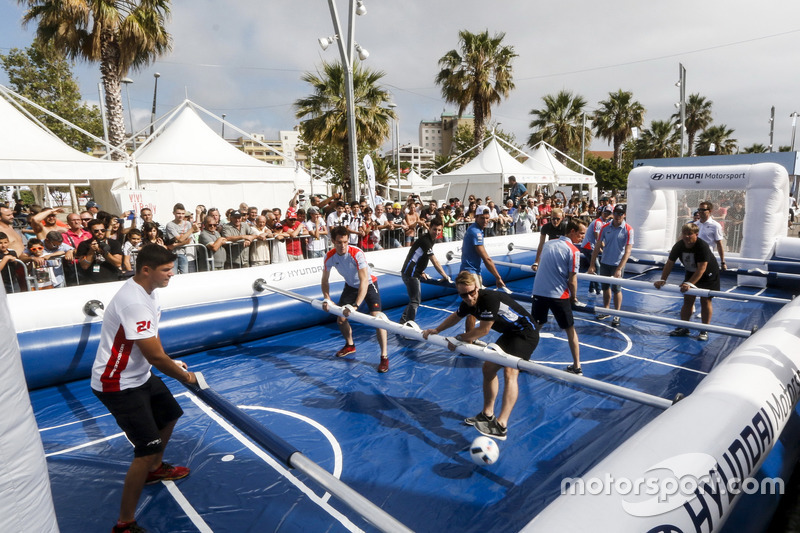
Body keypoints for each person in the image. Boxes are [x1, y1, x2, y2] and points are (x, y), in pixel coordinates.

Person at [90, 244, 197, 533]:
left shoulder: (148, 291)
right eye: (166, 270)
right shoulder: (133, 301)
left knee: (170, 413)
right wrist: (186, 378)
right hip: (117, 383)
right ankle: (124, 522)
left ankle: (154, 469)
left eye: (171, 269)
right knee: (146, 448)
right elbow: (154, 356)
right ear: (146, 270)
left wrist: (169, 361)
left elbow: (151, 339)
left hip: (138, 375)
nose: (171, 275)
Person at [422, 271, 538, 441]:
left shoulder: (489, 298)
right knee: (488, 368)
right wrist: (437, 330)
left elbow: (483, 330)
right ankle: (487, 414)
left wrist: (458, 339)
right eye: (463, 295)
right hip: (509, 333)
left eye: (471, 292)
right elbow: (456, 316)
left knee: (510, 372)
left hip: (526, 333)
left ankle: (501, 425)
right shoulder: (468, 302)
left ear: (477, 287)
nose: (469, 298)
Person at [321, 226, 390, 373]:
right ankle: (350, 345)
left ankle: (384, 356)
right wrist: (326, 298)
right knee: (341, 319)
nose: (343, 246)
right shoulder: (329, 256)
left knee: (377, 320)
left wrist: (355, 305)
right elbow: (325, 280)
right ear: (333, 241)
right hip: (351, 286)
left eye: (345, 242)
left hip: (369, 285)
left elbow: (364, 281)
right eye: (339, 242)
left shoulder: (357, 253)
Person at [531, 219, 586, 374]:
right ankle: (577, 366)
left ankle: (524, 356)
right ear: (572, 231)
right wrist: (574, 297)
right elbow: (572, 279)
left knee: (535, 326)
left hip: (539, 292)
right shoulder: (573, 251)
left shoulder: (549, 244)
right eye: (581, 233)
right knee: (570, 330)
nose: (583, 237)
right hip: (558, 295)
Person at [654, 223, 720, 341]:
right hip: (691, 272)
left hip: (708, 274)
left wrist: (689, 284)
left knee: (705, 300)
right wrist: (662, 279)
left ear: (696, 234)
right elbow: (669, 263)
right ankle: (684, 327)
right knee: (688, 299)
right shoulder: (679, 246)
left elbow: (702, 268)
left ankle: (704, 330)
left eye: (690, 234)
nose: (687, 237)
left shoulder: (702, 246)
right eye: (684, 234)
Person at [588, 204, 633, 327]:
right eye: (616, 213)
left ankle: (617, 314)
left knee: (617, 289)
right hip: (605, 262)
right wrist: (592, 264)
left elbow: (628, 251)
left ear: (624, 215)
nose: (618, 216)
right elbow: (597, 246)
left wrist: (619, 268)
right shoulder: (605, 227)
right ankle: (606, 310)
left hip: (618, 264)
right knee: (605, 287)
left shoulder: (628, 229)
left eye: (620, 213)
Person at [399, 218, 452, 324]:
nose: (436, 232)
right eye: (434, 229)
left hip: (414, 272)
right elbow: (434, 261)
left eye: (439, 230)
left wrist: (421, 271)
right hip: (410, 273)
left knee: (413, 300)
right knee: (415, 301)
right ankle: (409, 325)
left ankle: (403, 321)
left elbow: (420, 256)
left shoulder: (431, 239)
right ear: (429, 228)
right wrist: (445, 276)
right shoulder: (425, 241)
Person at [76, 219, 123, 284]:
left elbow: (118, 263)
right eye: (96, 231)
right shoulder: (84, 244)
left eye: (103, 230)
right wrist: (91, 251)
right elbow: (84, 266)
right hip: (91, 281)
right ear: (90, 231)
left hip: (112, 279)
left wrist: (103, 252)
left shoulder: (114, 243)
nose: (100, 232)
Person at [580, 205, 612, 297]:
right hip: (589, 247)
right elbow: (598, 238)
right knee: (596, 267)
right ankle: (598, 290)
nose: (606, 214)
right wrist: (604, 250)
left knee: (594, 267)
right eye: (605, 212)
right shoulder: (598, 222)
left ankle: (591, 289)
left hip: (592, 247)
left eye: (608, 213)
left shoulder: (604, 223)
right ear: (602, 212)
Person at [164, 203, 200, 274]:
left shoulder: (188, 223)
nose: (181, 215)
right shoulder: (170, 225)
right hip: (173, 254)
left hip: (186, 254)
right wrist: (191, 230)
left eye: (183, 213)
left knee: (187, 276)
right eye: (178, 213)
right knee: (174, 276)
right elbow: (181, 239)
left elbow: (188, 240)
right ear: (173, 213)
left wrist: (176, 244)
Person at [696, 201, 727, 272]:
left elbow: (719, 244)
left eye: (703, 210)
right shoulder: (695, 224)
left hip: (707, 258)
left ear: (710, 211)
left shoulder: (715, 226)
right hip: (694, 257)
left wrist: (723, 262)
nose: (700, 212)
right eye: (699, 209)